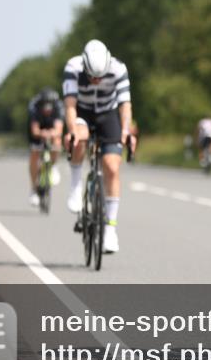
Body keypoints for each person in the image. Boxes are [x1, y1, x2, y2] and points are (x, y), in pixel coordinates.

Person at [63, 39, 135, 254]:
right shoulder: (73, 67)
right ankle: (76, 185)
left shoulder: (118, 68)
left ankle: (110, 230)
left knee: (112, 166)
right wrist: (72, 130)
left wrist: (126, 131)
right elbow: (69, 106)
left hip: (107, 113)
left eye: (100, 76)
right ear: (84, 65)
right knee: (80, 137)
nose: (96, 80)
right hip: (82, 112)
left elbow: (125, 104)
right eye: (92, 76)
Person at [27, 87, 65, 206]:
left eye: (49, 108)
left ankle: (53, 165)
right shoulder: (34, 107)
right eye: (45, 107)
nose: (47, 110)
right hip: (39, 127)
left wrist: (52, 134)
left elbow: (59, 129)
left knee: (57, 141)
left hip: (52, 127)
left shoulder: (59, 107)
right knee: (34, 153)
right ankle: (34, 188)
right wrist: (41, 134)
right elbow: (34, 130)